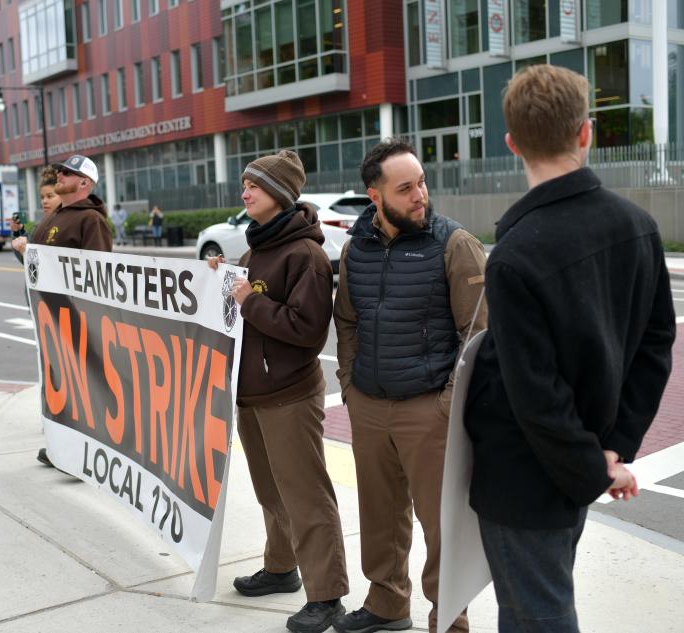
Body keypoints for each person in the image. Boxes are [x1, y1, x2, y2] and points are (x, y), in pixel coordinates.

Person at [464, 64, 676, 633]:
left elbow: (535, 395)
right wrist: (611, 451)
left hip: (524, 475)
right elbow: (657, 346)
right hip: (581, 460)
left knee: (537, 616)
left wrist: (594, 465)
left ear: (511, 144)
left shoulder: (513, 255)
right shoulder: (637, 225)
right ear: (586, 133)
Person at [332, 138, 487, 633]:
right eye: (406, 188)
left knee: (440, 523)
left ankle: (450, 615)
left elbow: (478, 335)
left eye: (421, 182)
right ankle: (386, 603)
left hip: (429, 410)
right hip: (370, 404)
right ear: (375, 197)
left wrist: (446, 405)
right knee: (379, 515)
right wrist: (350, 387)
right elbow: (347, 322)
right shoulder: (355, 248)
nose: (420, 194)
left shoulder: (454, 243)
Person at [209, 150, 348, 633]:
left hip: (288, 394)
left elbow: (308, 331)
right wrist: (225, 280)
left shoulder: (305, 255)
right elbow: (246, 302)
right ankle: (281, 566)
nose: (244, 193)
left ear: (282, 196)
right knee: (271, 490)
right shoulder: (257, 249)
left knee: (305, 495)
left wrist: (249, 301)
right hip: (254, 393)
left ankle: (327, 596)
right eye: (245, 184)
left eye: (255, 186)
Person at [13, 154, 112, 466]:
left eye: (67, 173)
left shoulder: (90, 220)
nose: (59, 175)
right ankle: (61, 447)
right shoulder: (54, 217)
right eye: (60, 171)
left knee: (77, 386)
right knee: (57, 384)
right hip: (49, 318)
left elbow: (98, 274)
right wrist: (26, 253)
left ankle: (78, 454)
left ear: (83, 183)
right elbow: (42, 269)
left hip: (74, 320)